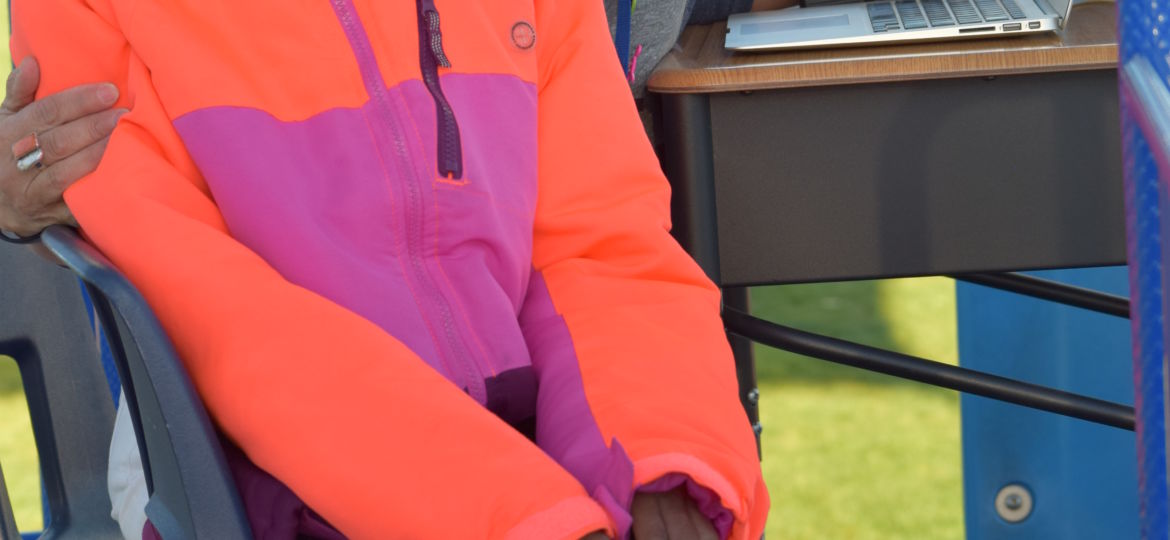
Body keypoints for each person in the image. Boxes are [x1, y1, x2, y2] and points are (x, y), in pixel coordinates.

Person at [11, 0, 769, 538]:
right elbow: (220, 319)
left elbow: (601, 245)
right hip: (243, 466)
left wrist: (661, 464)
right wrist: (513, 513)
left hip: (531, 440)